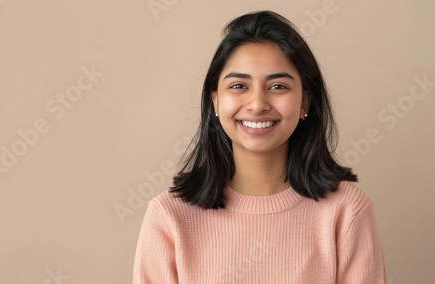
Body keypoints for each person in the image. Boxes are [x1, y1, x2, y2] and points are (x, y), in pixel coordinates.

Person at [133, 10, 387, 283]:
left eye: (278, 86)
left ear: (305, 102)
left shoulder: (347, 211)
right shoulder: (169, 217)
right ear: (216, 101)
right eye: (239, 85)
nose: (257, 104)